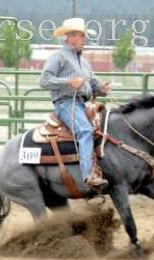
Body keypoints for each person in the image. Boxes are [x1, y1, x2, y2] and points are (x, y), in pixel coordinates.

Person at [40, 18, 110, 189]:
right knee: (85, 130)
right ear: (70, 37)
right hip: (65, 103)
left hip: (80, 104)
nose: (85, 39)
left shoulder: (84, 63)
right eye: (81, 35)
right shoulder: (58, 56)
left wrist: (102, 88)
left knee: (104, 128)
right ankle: (89, 175)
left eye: (84, 36)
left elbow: (92, 84)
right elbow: (44, 80)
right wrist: (69, 82)